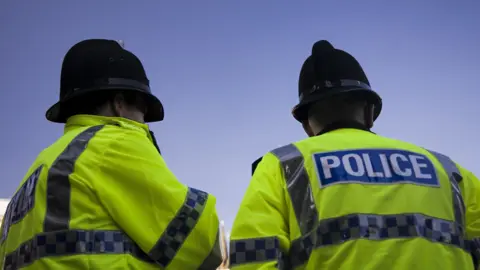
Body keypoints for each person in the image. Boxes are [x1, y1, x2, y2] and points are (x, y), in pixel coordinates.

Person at [228, 40, 480, 269]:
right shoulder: (449, 171)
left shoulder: (282, 166)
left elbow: (253, 259)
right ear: (370, 112)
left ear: (306, 124)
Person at [0, 39, 222, 270]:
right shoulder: (111, 143)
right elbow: (202, 247)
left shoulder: (36, 173)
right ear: (119, 104)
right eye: (143, 111)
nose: (144, 122)